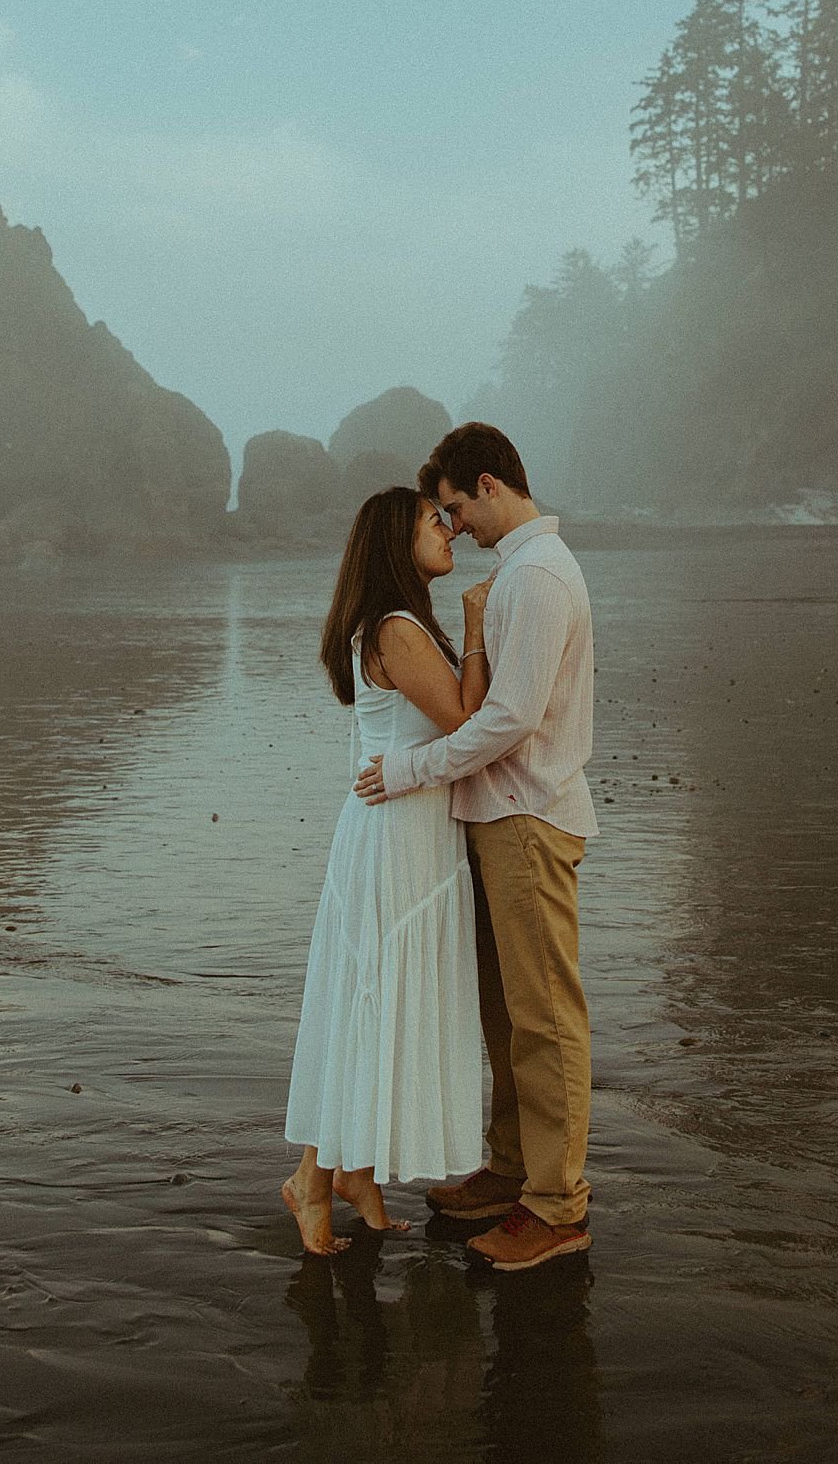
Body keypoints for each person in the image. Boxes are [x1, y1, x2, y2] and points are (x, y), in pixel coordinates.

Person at [354, 423, 597, 1273]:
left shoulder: (535, 575)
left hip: (528, 814)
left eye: (456, 508)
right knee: (504, 1014)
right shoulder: (516, 577)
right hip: (499, 819)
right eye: (442, 517)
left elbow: (508, 720)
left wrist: (409, 768)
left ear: (490, 486)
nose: (454, 527)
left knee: (544, 1016)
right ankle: (512, 1167)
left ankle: (557, 1206)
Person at [282, 485, 494, 1256]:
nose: (447, 531)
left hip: (396, 832)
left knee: (368, 997)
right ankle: (313, 1177)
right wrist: (474, 626)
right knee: (373, 997)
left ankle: (354, 1171)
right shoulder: (398, 628)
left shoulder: (387, 625)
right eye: (431, 523)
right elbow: (467, 722)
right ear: (395, 546)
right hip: (397, 838)